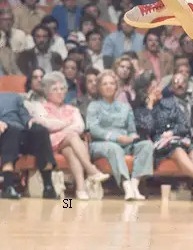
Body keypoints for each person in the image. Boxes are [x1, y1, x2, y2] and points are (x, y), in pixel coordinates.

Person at [31, 72, 109, 200]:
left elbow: (80, 127)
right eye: (55, 89)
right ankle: (91, 170)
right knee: (72, 136)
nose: (60, 92)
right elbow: (45, 123)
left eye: (62, 89)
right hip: (48, 142)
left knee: (70, 149)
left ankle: (80, 189)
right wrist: (67, 123)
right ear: (47, 92)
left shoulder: (73, 109)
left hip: (67, 143)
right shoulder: (40, 107)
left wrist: (60, 126)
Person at [87, 69, 154, 200]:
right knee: (114, 148)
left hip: (125, 142)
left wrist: (132, 136)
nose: (108, 86)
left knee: (146, 145)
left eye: (111, 83)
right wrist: (116, 137)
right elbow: (93, 129)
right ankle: (126, 185)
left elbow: (131, 129)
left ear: (116, 87)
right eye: (104, 84)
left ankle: (135, 185)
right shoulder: (94, 106)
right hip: (101, 144)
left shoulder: (125, 107)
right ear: (99, 88)